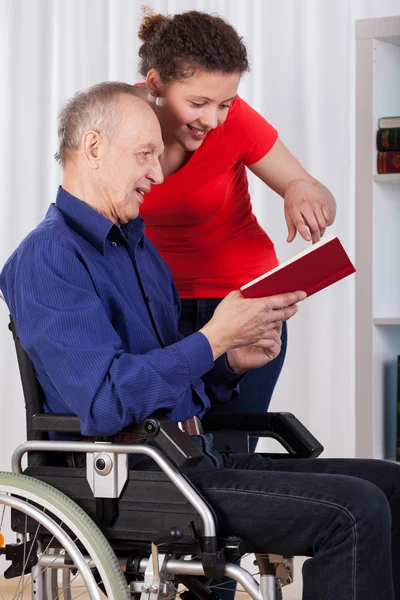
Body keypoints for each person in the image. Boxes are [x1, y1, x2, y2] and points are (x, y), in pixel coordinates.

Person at [1, 82, 399, 600]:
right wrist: (212, 339)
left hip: (193, 456)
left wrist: (230, 360)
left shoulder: (141, 252)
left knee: (391, 484)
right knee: (354, 511)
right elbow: (104, 402)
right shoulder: (47, 258)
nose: (158, 174)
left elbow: (174, 379)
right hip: (133, 477)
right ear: (93, 148)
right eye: (145, 155)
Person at [135, 9, 338, 437]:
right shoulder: (121, 121)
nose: (213, 120)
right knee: (166, 452)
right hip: (156, 307)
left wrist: (303, 190)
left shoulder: (237, 121)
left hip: (241, 302)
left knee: (228, 452)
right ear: (155, 84)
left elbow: (307, 184)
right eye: (198, 103)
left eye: (224, 103)